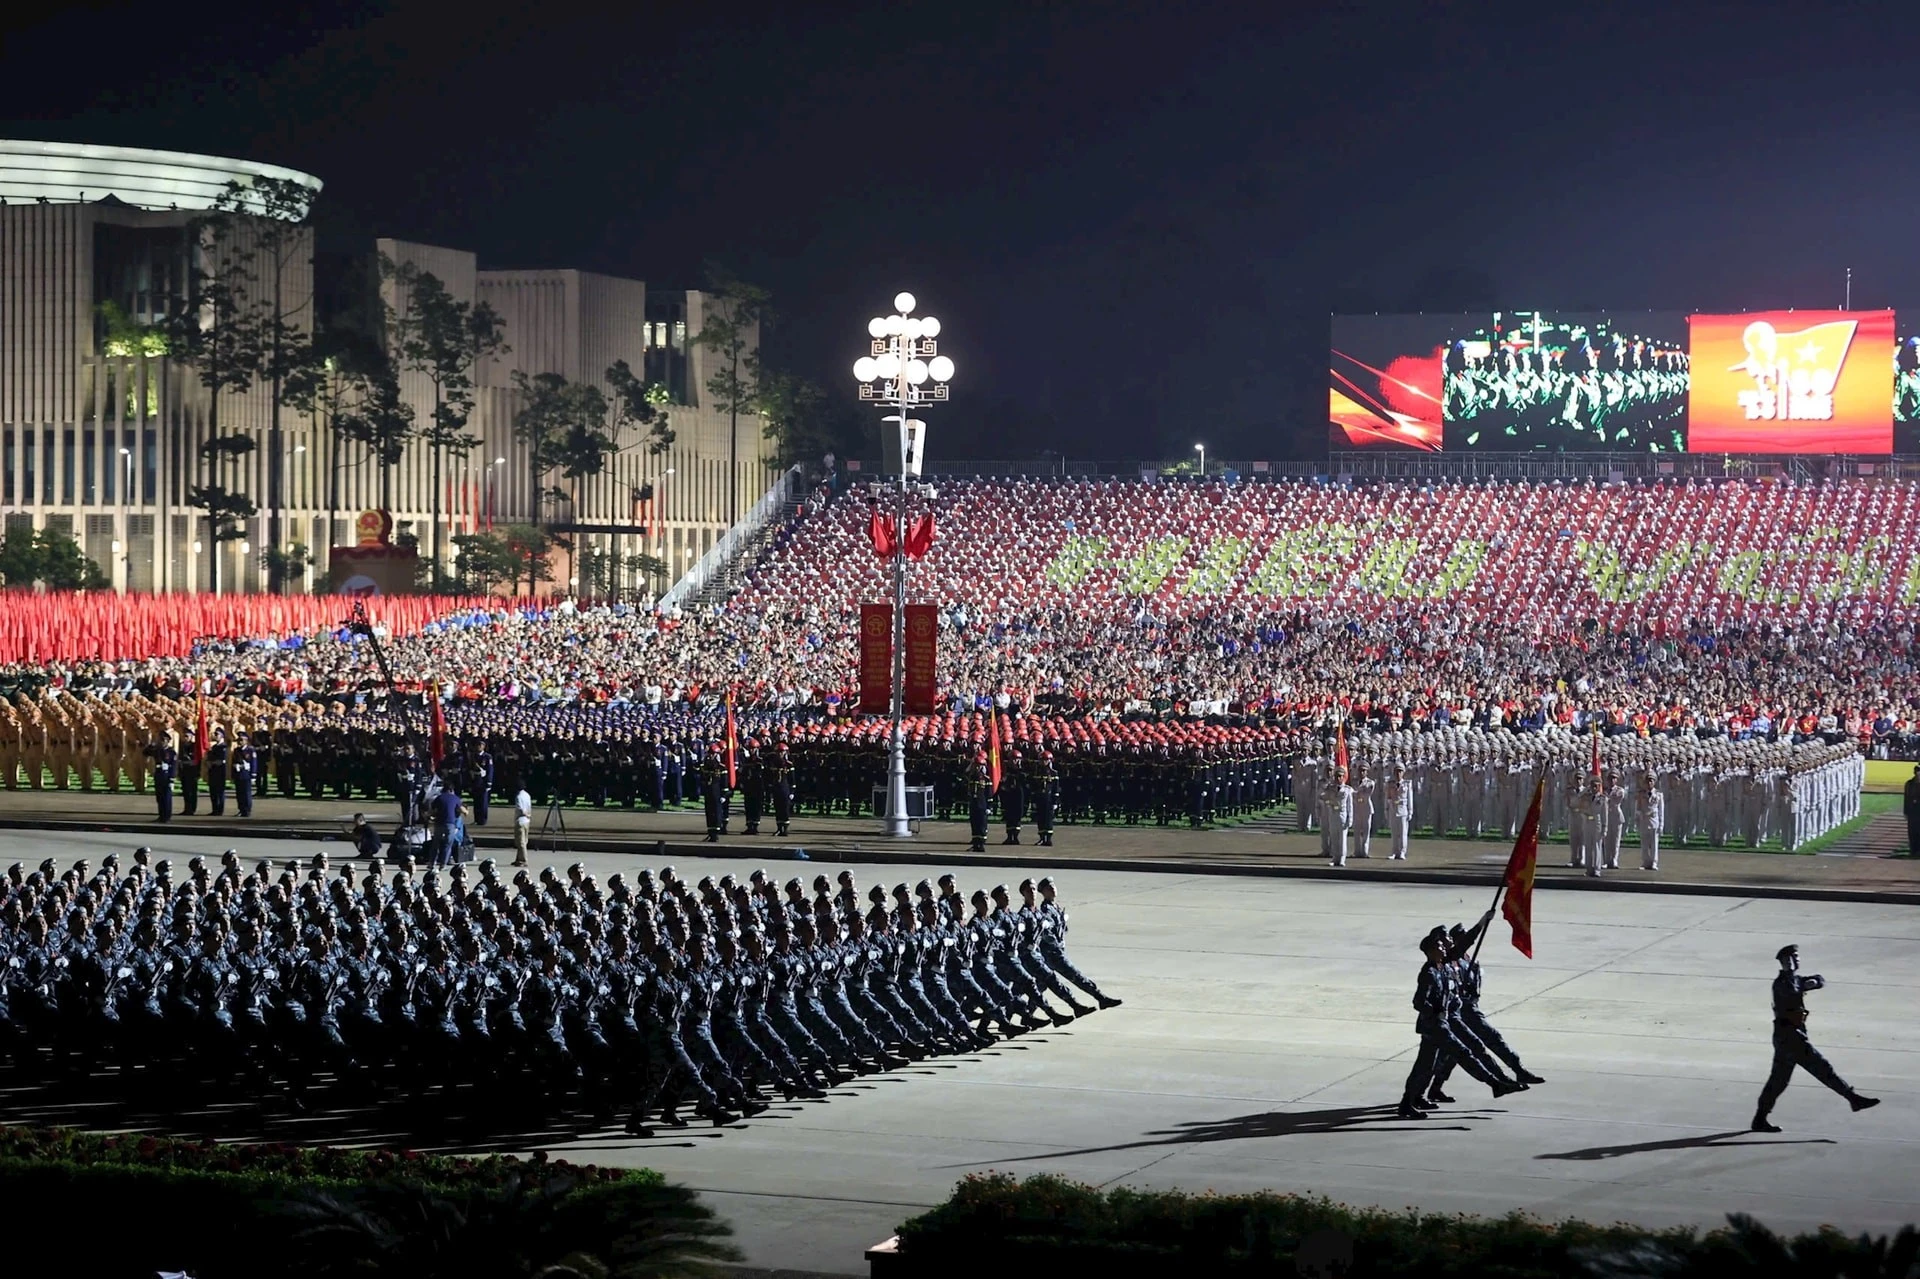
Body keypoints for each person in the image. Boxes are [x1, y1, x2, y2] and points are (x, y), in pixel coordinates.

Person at [1752, 944, 1879, 1132]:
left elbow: (1820, 979)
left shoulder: (1795, 980)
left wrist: (1814, 982)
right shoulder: (1782, 983)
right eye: (1792, 957)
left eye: (1797, 957)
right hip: (1790, 1036)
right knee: (1822, 1068)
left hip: (1790, 1035)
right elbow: (1791, 993)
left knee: (1778, 1081)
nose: (1796, 960)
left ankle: (1759, 1120)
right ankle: (1853, 1099)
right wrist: (1799, 979)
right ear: (1785, 961)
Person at [512, 783, 533, 866]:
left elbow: (520, 809)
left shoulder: (518, 797)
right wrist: (529, 815)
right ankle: (518, 858)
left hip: (520, 821)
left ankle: (523, 860)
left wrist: (525, 814)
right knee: (524, 841)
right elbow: (529, 806)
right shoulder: (527, 795)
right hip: (527, 821)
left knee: (520, 842)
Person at [1904, 765, 1920, 857]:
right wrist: (1906, 811)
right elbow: (1906, 798)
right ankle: (1913, 850)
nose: (1918, 773)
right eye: (1917, 771)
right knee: (1912, 831)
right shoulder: (1909, 784)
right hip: (1912, 811)